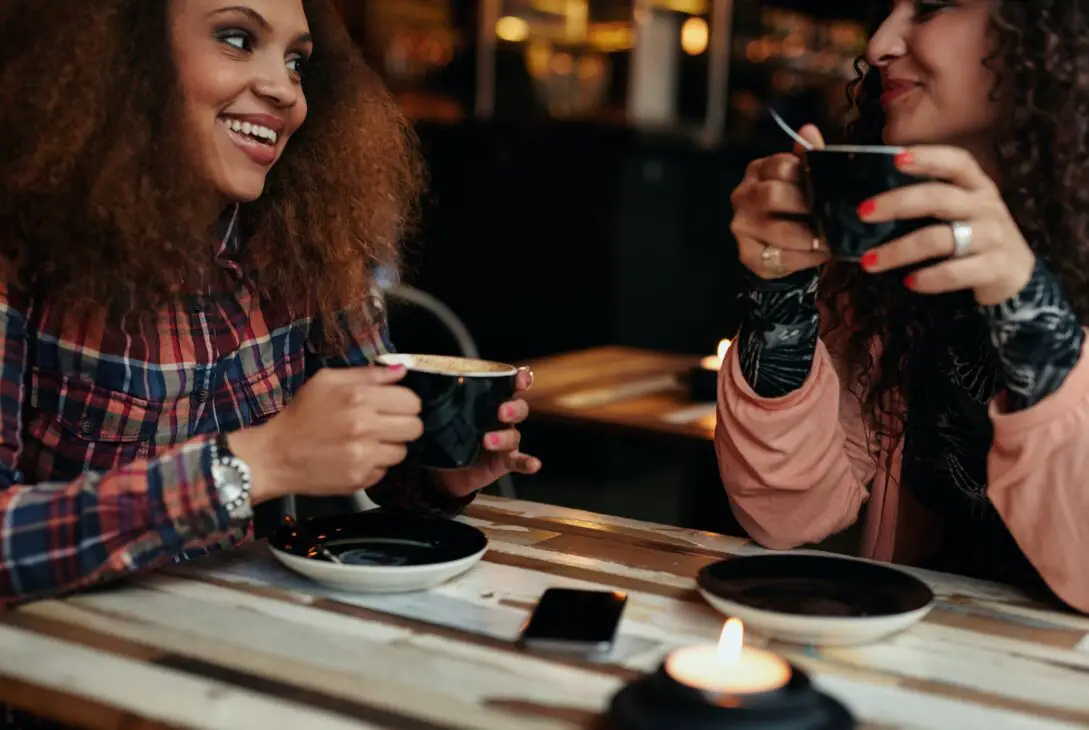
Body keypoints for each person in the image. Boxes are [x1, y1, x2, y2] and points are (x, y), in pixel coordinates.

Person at [0, 0, 542, 615]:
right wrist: (257, 462)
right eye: (236, 38)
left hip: (233, 646)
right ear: (121, 57)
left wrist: (444, 475)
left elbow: (388, 476)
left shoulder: (309, 242)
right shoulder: (21, 248)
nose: (283, 89)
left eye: (296, 62)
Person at [718, 0, 1089, 613]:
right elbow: (786, 513)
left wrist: (1025, 305)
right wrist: (778, 288)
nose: (880, 44)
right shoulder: (892, 263)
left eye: (934, 5)